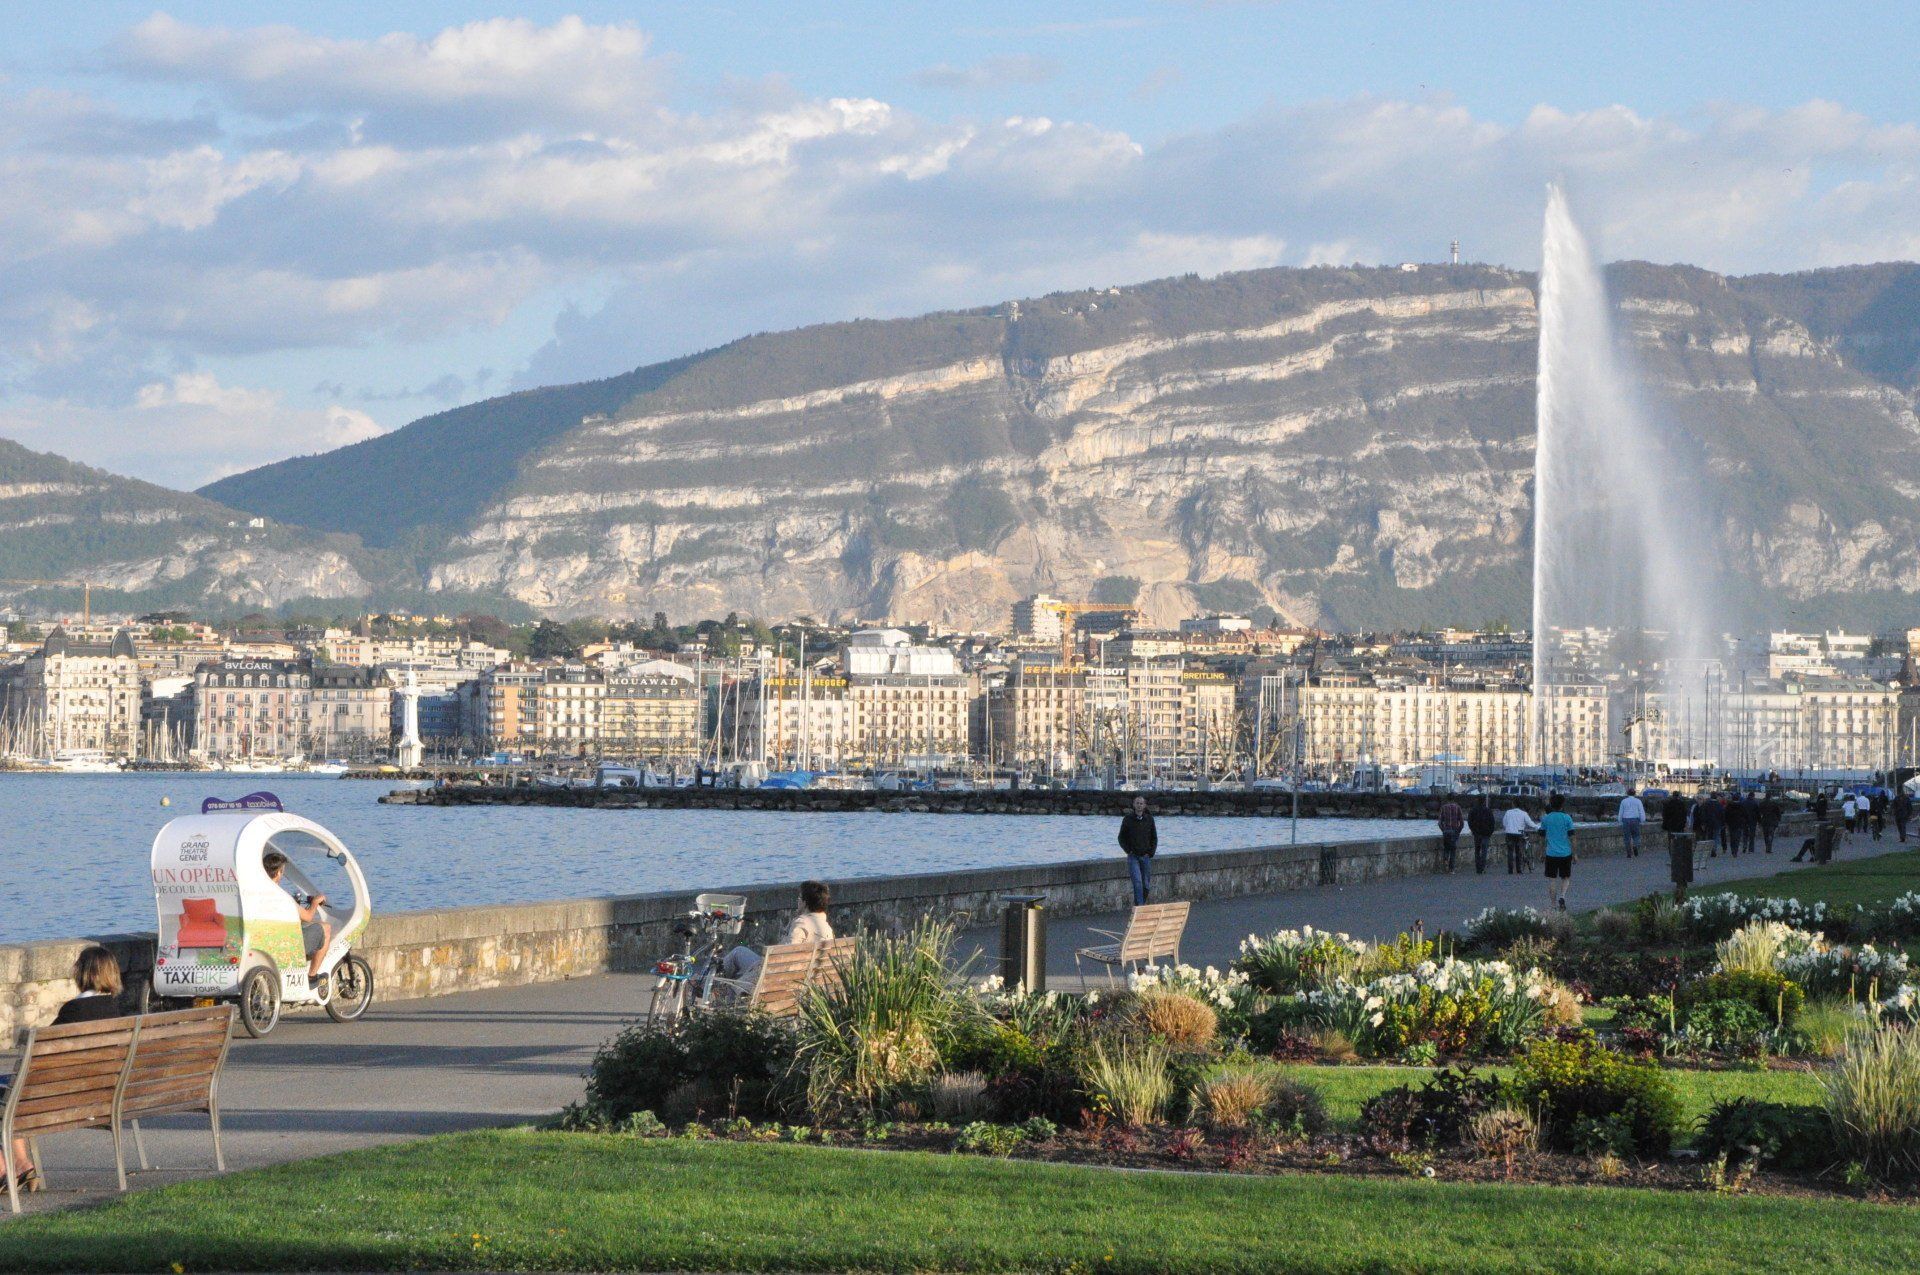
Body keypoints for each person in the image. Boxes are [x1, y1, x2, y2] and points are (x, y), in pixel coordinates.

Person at [3, 946, 126, 1196]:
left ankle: (9, 1168)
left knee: (8, 1095)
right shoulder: (116, 1011)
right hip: (102, 1094)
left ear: (81, 974)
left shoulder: (74, 1011)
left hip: (61, 1097)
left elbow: (38, 1054)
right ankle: (21, 1166)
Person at [720, 881, 834, 982]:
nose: (797, 901)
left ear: (805, 903)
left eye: (799, 898)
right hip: (804, 977)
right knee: (741, 952)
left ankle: (714, 987)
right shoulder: (827, 928)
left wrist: (761, 964)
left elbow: (783, 956)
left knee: (737, 953)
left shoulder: (802, 923)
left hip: (777, 979)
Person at [264, 850, 331, 982]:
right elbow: (307, 917)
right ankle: (312, 976)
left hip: (269, 939)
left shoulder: (261, 891)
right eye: (282, 871)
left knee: (308, 927)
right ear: (278, 873)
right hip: (287, 943)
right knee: (326, 928)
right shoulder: (281, 895)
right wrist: (316, 902)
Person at [1539, 793, 1577, 912]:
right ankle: (1562, 896)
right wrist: (1575, 853)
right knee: (1565, 877)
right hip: (1565, 853)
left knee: (1552, 880)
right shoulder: (1567, 818)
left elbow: (1541, 838)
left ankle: (1553, 904)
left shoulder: (1546, 818)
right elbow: (1572, 837)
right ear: (1562, 805)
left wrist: (1541, 852)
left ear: (1551, 804)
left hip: (1551, 854)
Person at [1118, 795, 1158, 905]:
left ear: (1144, 805)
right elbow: (1121, 837)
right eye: (1137, 803)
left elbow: (1154, 837)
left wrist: (1151, 852)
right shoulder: (1128, 819)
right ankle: (1140, 908)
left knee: (1146, 885)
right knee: (1137, 882)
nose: (1139, 805)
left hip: (1145, 856)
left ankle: (1139, 904)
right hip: (1133, 857)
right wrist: (1128, 850)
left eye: (1141, 803)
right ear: (1134, 805)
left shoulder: (1149, 819)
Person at [1661, 790, 1694, 902]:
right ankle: (1675, 855)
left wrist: (1666, 826)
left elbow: (1664, 816)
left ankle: (1673, 855)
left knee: (1672, 845)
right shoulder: (1682, 804)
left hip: (1671, 828)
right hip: (1679, 828)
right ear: (1679, 796)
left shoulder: (1668, 804)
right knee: (1680, 845)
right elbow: (1685, 816)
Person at [1501, 803, 1538, 874]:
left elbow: (1504, 823)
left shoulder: (1508, 812)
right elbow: (1529, 823)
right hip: (1519, 834)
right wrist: (1536, 826)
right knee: (1519, 852)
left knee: (1510, 852)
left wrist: (1508, 828)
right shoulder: (1523, 813)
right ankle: (1519, 869)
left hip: (1509, 833)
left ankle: (1510, 870)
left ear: (1513, 805)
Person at [1467, 796, 1497, 875]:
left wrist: (1473, 830)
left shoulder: (1473, 810)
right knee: (1484, 851)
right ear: (1484, 802)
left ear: (1477, 801)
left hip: (1477, 834)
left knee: (1477, 851)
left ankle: (1478, 868)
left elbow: (1469, 821)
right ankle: (1482, 867)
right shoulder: (1488, 811)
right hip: (1486, 834)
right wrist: (1490, 832)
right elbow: (1492, 823)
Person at [1436, 796, 1465, 873]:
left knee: (1446, 848)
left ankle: (1445, 860)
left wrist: (1443, 830)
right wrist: (1458, 831)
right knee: (1453, 850)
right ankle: (1451, 869)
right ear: (1454, 800)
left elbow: (1439, 822)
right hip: (1454, 831)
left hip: (1446, 831)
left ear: (1447, 800)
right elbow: (1462, 823)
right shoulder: (1457, 808)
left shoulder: (1443, 808)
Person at [1692, 791, 1723, 862]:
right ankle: (1714, 850)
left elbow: (1703, 815)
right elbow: (1722, 815)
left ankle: (1708, 850)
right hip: (1717, 824)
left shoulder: (1707, 804)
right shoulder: (1719, 804)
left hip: (1708, 824)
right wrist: (1722, 823)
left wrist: (1703, 823)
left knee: (1709, 837)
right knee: (1715, 837)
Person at [1617, 786, 1646, 858]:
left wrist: (1619, 820)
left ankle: (1629, 853)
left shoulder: (1623, 801)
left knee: (1627, 837)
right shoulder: (1638, 801)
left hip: (1626, 820)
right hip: (1635, 820)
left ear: (1627, 793)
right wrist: (1643, 820)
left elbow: (1621, 812)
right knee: (1636, 835)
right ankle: (1635, 846)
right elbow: (1641, 811)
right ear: (1635, 793)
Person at [1723, 791, 1751, 859]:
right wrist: (1746, 822)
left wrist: (1726, 822)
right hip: (1739, 824)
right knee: (1737, 838)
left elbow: (1725, 815)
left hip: (1731, 824)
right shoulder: (1742, 806)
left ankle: (1733, 850)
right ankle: (1735, 850)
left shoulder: (1729, 806)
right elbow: (1746, 815)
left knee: (1732, 838)